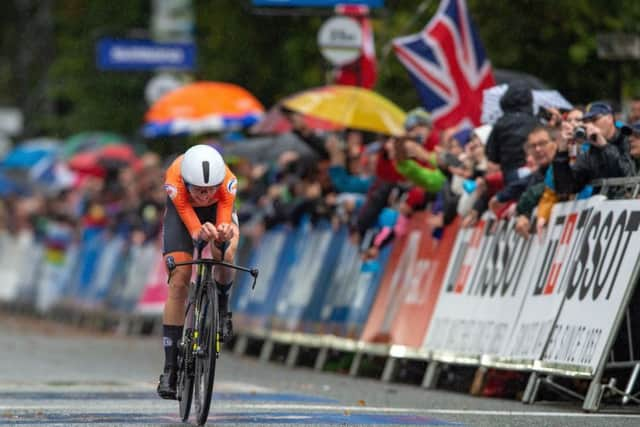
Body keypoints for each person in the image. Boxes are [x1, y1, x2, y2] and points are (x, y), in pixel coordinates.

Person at [157, 144, 240, 400]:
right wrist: (198, 232)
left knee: (225, 255)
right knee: (179, 280)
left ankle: (223, 308)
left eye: (209, 191)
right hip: (183, 216)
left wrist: (221, 234)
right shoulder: (174, 178)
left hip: (218, 213)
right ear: (187, 182)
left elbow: (224, 220)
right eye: (199, 191)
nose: (204, 196)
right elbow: (190, 223)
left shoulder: (227, 182)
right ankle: (170, 369)